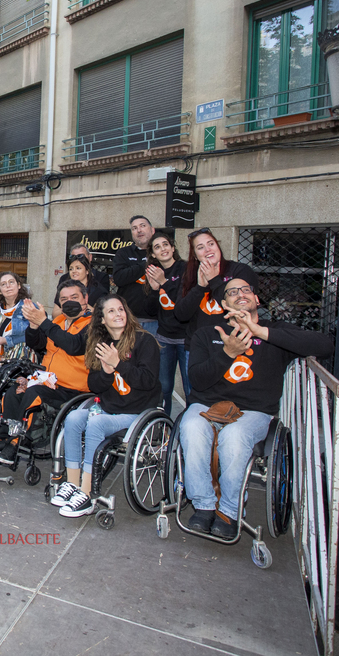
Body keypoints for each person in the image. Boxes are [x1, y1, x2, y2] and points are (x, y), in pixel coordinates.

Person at [180, 276, 333, 538]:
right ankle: (204, 505)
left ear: (257, 299)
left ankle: (229, 511)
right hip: (207, 404)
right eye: (232, 292)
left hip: (254, 410)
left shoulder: (276, 332)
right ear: (223, 303)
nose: (240, 294)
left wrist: (261, 332)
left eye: (245, 290)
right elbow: (197, 380)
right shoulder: (207, 334)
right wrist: (227, 354)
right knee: (191, 426)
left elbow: (326, 345)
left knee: (235, 436)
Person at [54, 295, 161, 518]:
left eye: (120, 309)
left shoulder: (144, 341)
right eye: (111, 311)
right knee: (73, 418)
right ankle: (73, 484)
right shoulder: (99, 344)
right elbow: (93, 384)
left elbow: (148, 381)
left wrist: (118, 364)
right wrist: (106, 372)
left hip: (137, 411)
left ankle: (88, 492)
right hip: (109, 407)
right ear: (102, 319)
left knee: (97, 422)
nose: (118, 314)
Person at [0, 281, 93, 430]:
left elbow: (74, 345)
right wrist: (34, 326)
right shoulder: (59, 321)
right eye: (64, 299)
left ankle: (17, 442)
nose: (69, 302)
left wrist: (43, 321)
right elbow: (37, 344)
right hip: (48, 382)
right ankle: (5, 437)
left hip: (73, 389)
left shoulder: (94, 325)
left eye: (74, 297)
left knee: (33, 394)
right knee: (13, 392)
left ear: (85, 298)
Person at [174, 228, 259, 354]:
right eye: (200, 247)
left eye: (211, 244)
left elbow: (241, 309)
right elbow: (181, 314)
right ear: (195, 255)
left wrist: (214, 279)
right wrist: (199, 288)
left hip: (232, 346)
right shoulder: (190, 276)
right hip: (198, 347)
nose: (208, 249)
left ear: (218, 246)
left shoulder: (239, 271)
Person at [143, 232, 189, 414]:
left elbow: (184, 303)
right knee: (164, 388)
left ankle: (188, 430)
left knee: (190, 389)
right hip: (164, 338)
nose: (162, 249)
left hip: (187, 338)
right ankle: (163, 428)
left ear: (172, 248)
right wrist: (155, 289)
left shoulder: (186, 268)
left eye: (165, 244)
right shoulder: (153, 272)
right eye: (157, 247)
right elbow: (150, 310)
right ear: (153, 254)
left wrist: (164, 282)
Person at [112, 215, 158, 335]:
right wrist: (146, 263)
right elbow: (119, 279)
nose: (139, 230)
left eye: (143, 226)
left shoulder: (162, 253)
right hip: (128, 319)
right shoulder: (123, 253)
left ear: (152, 230)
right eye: (134, 228)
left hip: (156, 321)